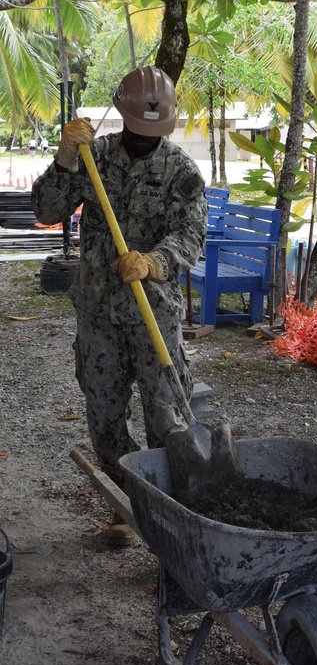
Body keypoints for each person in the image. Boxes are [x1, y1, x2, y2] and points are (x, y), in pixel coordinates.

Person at [32, 67, 207, 545]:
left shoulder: (181, 172)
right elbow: (46, 211)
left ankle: (174, 516)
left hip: (154, 316)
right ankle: (128, 505)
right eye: (138, 125)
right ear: (123, 114)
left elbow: (191, 236)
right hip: (98, 315)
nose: (145, 136)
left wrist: (154, 260)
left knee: (166, 416)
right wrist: (66, 159)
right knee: (105, 415)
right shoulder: (95, 158)